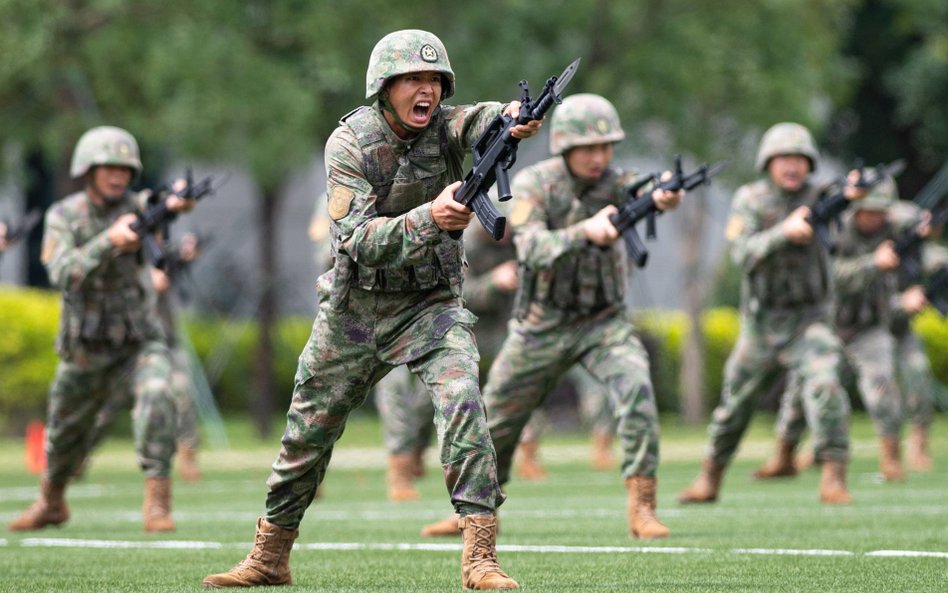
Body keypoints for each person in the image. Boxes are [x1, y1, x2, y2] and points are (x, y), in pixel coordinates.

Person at [202, 30, 540, 590]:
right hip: (354, 311)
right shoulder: (349, 144)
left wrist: (512, 117)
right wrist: (431, 216)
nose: (425, 90)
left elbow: (479, 121)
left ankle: (480, 557)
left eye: (434, 80)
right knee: (306, 435)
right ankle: (270, 557)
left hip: (429, 306)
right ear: (384, 87)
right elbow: (356, 240)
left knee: (463, 401)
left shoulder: (446, 127)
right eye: (413, 79)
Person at [471, 93, 682, 540]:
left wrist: (663, 195)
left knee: (637, 390)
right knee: (496, 421)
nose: (599, 157)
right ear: (565, 147)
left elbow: (647, 188)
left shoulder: (619, 181)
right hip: (540, 324)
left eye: (606, 147)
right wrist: (584, 232)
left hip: (603, 322)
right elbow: (530, 248)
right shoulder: (534, 185)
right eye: (589, 148)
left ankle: (643, 506)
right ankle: (475, 511)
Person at [8, 125, 195, 533]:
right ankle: (51, 502)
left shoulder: (139, 204)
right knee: (64, 432)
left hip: (139, 340)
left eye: (125, 169)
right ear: (87, 171)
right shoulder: (64, 215)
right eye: (108, 168)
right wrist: (108, 241)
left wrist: (178, 201)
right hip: (85, 346)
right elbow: (60, 272)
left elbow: (162, 202)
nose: (118, 176)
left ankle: (158, 503)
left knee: (159, 394)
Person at [678, 122, 865, 506]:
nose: (791, 166)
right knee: (735, 405)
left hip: (809, 320)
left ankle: (833, 475)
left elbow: (852, 201)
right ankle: (710, 477)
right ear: (769, 163)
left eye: (799, 159)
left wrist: (857, 192)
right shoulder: (750, 199)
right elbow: (741, 253)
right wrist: (785, 232)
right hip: (761, 325)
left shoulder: (822, 195)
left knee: (827, 384)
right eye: (783, 159)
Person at [754, 179, 917, 481]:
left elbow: (915, 217)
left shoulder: (893, 229)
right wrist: (873, 264)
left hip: (870, 327)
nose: (874, 217)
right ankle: (784, 456)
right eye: (868, 210)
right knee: (800, 392)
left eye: (881, 211)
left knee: (882, 388)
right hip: (828, 325)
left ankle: (891, 459)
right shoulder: (834, 230)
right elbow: (835, 275)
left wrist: (924, 229)